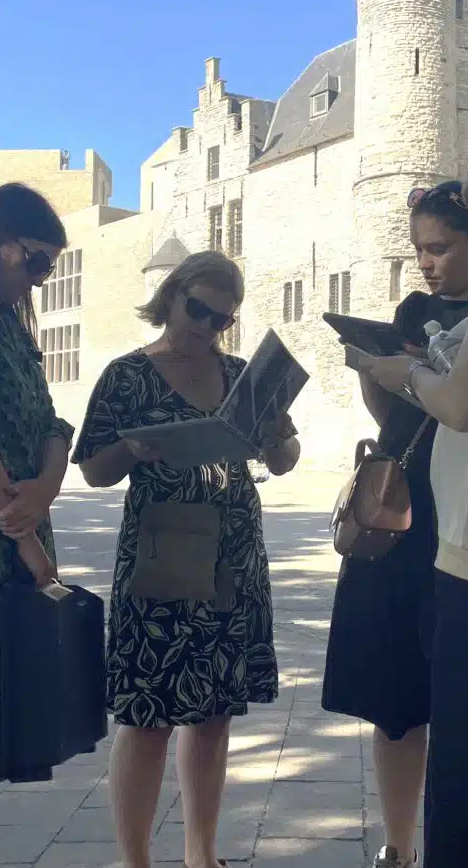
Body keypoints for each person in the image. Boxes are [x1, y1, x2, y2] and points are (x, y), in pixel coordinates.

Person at [72, 250, 300, 868]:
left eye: (222, 319)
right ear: (171, 294)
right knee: (148, 715)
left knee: (215, 712)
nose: (206, 327)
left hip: (233, 553)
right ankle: (135, 860)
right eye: (198, 310)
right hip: (161, 553)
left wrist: (279, 434)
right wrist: (132, 448)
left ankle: (202, 854)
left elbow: (283, 463)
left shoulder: (241, 375)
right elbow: (93, 471)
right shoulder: (126, 376)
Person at [322, 181, 468, 868]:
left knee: (462, 699)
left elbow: (462, 409)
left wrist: (411, 372)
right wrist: (373, 369)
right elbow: (395, 419)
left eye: (440, 247)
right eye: (418, 250)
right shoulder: (415, 310)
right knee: (395, 690)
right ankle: (398, 845)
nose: (426, 262)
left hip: (464, 523)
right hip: (402, 509)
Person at [0, 183, 74, 837]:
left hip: (7, 559)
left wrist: (45, 487)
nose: (41, 280)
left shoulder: (10, 324)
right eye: (35, 261)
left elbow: (49, 420)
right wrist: (24, 535)